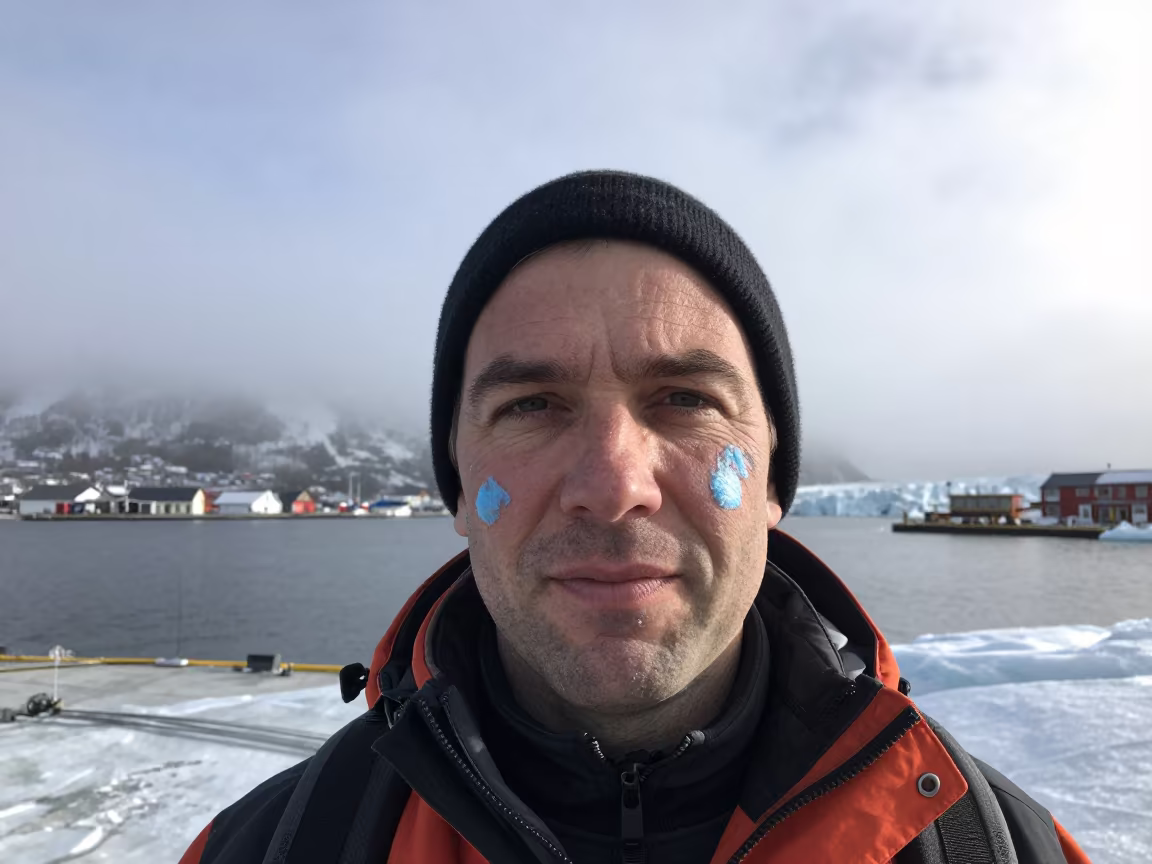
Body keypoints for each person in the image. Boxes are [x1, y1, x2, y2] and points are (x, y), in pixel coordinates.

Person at [180, 172, 1090, 864]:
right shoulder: (275, 846)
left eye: (686, 399)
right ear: (458, 485)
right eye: (532, 405)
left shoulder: (990, 847)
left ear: (774, 478)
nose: (614, 486)